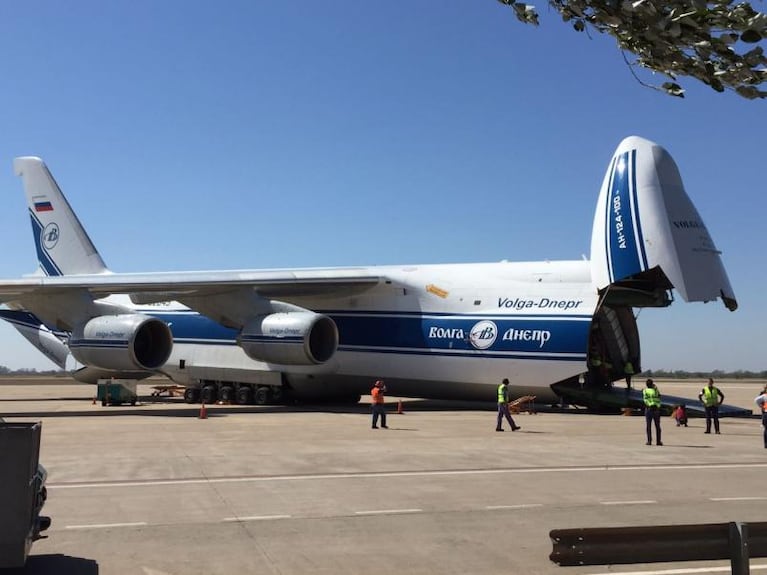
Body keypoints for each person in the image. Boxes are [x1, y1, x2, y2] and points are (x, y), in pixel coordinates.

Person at [642, 378, 662, 446]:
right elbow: (659, 396)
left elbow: (645, 400)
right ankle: (658, 441)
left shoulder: (645, 391)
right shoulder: (655, 390)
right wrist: (655, 387)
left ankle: (649, 441)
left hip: (648, 409)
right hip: (656, 409)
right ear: (652, 384)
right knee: (657, 426)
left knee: (648, 426)